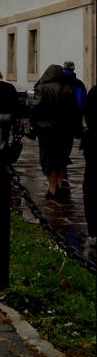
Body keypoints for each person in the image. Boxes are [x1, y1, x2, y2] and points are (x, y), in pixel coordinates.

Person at [29, 64, 81, 199]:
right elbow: (75, 111)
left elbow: (35, 108)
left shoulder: (42, 88)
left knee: (48, 159)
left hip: (47, 130)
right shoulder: (68, 89)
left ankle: (52, 188)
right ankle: (58, 184)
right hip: (65, 130)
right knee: (61, 158)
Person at [82, 85, 97, 248]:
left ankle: (93, 232)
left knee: (91, 189)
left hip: (93, 145)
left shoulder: (94, 92)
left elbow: (87, 114)